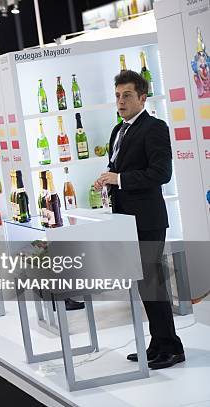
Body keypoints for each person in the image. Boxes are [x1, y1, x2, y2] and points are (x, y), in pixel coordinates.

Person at [94, 70, 184, 370]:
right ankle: (158, 343)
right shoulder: (118, 131)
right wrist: (107, 180)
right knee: (144, 283)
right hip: (125, 219)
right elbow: (117, 167)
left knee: (153, 283)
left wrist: (119, 178)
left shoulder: (155, 128)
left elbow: (162, 174)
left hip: (147, 219)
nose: (121, 101)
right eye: (118, 95)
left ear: (142, 97)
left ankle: (171, 347)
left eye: (127, 95)